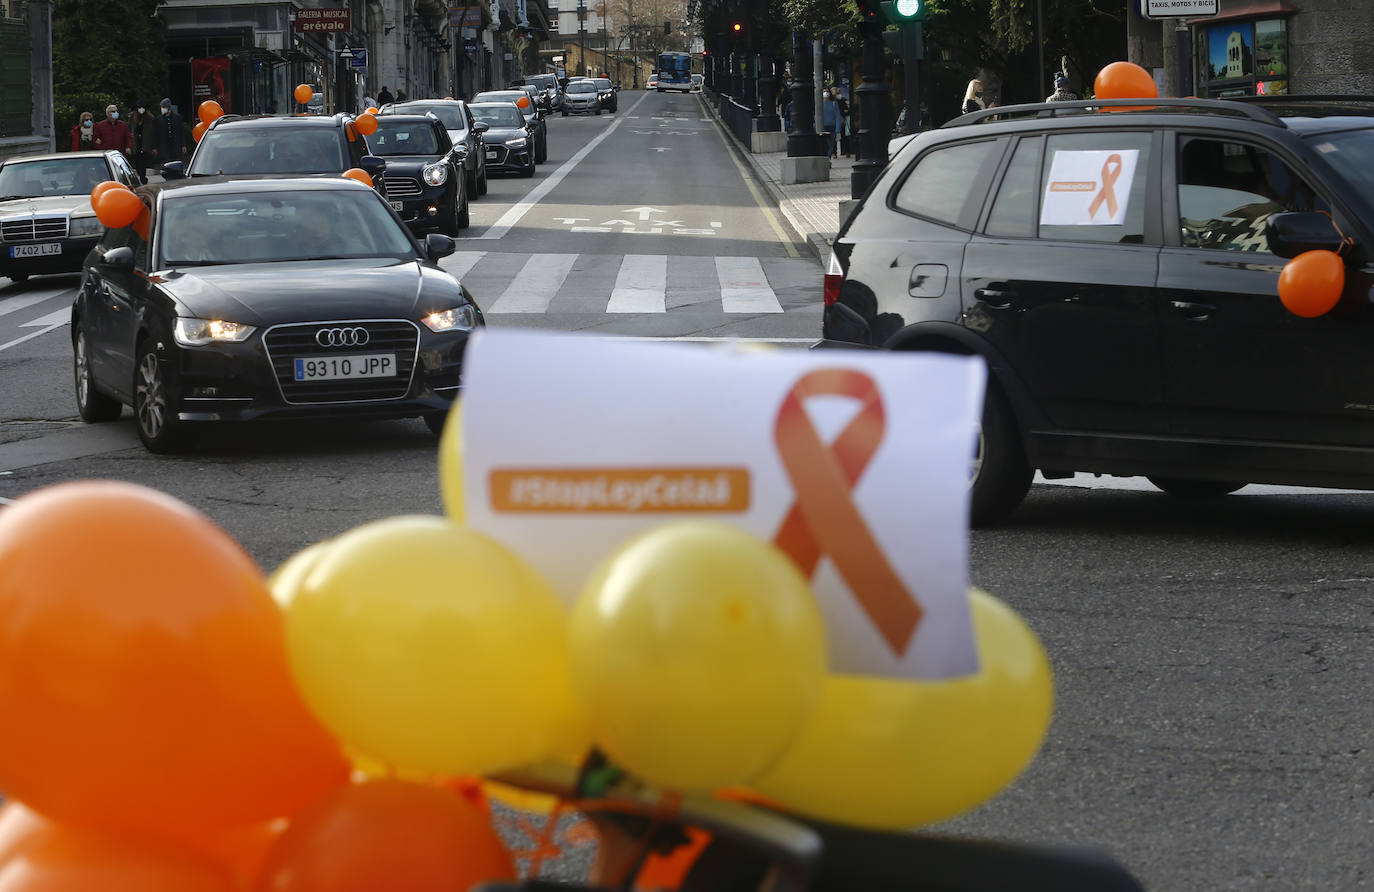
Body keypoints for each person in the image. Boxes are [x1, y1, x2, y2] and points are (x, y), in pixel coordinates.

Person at [150, 98, 188, 170]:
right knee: (167, 164)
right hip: (164, 146)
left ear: (168, 107)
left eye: (164, 107)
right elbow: (155, 134)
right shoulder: (158, 119)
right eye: (162, 107)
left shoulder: (177, 118)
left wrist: (183, 145)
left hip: (176, 145)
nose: (162, 109)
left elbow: (182, 132)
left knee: (177, 162)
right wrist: (154, 147)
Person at [130, 101, 154, 183]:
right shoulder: (132, 117)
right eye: (139, 108)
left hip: (145, 143)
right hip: (136, 143)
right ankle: (141, 175)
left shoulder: (149, 118)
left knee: (143, 162)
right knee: (137, 163)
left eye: (143, 107)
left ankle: (143, 178)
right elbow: (130, 130)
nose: (141, 109)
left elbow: (152, 132)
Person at [821, 88, 842, 159]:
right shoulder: (819, 104)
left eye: (827, 91)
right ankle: (827, 158)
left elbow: (837, 116)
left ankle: (828, 158)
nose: (826, 93)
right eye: (824, 91)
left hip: (832, 127)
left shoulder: (834, 103)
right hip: (823, 127)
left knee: (831, 144)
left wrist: (838, 130)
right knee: (825, 144)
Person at [832, 87, 851, 158]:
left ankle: (847, 152)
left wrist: (844, 112)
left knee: (843, 137)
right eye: (837, 93)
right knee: (835, 137)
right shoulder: (833, 101)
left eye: (839, 93)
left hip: (841, 120)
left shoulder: (842, 100)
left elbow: (847, 110)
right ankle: (834, 153)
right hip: (835, 121)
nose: (838, 94)